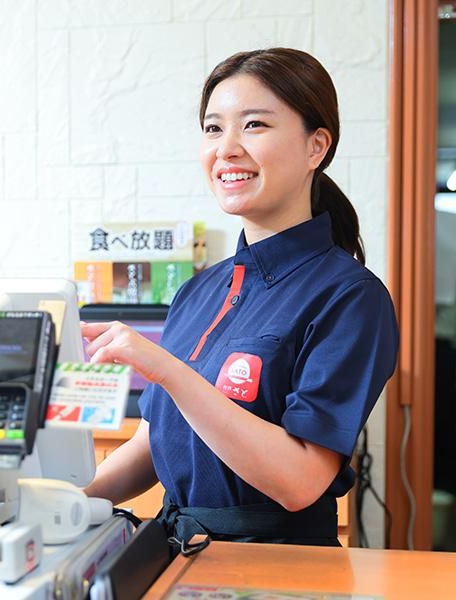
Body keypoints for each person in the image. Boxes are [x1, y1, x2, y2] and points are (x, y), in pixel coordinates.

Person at [81, 48, 399, 547]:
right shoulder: (197, 291)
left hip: (281, 567)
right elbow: (152, 443)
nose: (226, 149)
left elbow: (300, 481)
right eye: (213, 129)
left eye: (253, 125)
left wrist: (167, 370)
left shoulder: (351, 298)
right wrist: (64, 499)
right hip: (180, 556)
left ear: (316, 146)